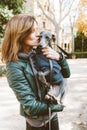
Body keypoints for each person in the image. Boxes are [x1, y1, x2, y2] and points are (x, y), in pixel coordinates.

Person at [1, 14, 70, 130]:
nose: (38, 34)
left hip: (52, 115)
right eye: (32, 31)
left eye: (37, 29)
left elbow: (66, 74)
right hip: (37, 122)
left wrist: (60, 58)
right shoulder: (14, 66)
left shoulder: (39, 52)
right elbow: (30, 106)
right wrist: (56, 106)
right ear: (20, 35)